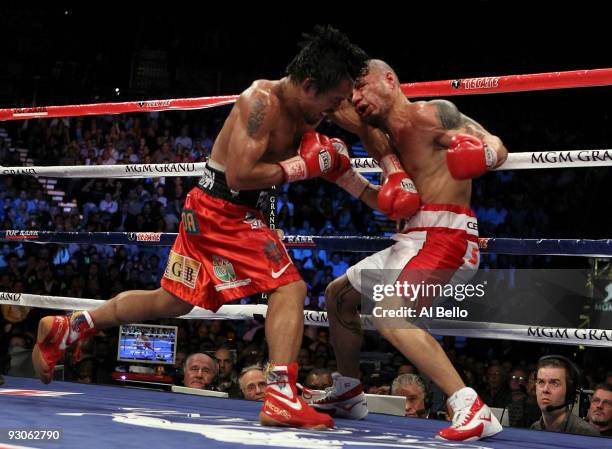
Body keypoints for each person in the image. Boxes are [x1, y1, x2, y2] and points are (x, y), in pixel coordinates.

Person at [32, 25, 371, 430]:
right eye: (330, 103)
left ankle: (71, 326)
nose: (329, 114)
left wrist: (383, 192)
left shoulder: (312, 103)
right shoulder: (260, 101)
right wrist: (304, 167)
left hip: (214, 209)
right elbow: (243, 175)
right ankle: (281, 394)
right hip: (225, 210)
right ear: (309, 84)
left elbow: (362, 123)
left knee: (171, 301)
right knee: (290, 286)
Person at [314, 59, 508, 440]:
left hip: (446, 237)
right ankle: (349, 392)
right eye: (351, 92)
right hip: (410, 241)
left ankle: (470, 405)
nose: (356, 97)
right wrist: (345, 177)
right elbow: (390, 203)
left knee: (389, 314)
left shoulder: (431, 114)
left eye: (362, 86)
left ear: (389, 80)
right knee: (339, 296)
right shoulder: (378, 137)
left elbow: (493, 143)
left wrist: (485, 155)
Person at [531, 356, 599, 436]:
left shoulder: (586, 434)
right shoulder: (534, 429)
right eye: (541, 382)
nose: (545, 389)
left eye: (554, 383)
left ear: (569, 391)